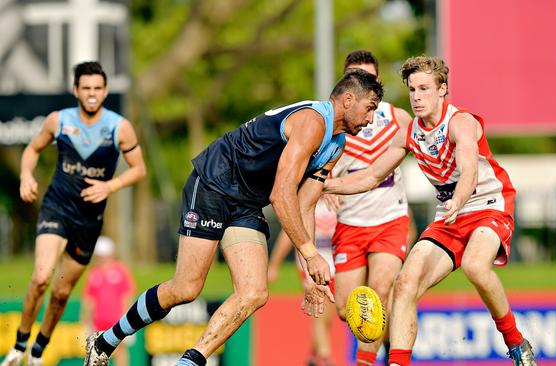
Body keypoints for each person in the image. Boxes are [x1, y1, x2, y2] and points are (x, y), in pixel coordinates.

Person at [84, 69, 384, 366]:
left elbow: (305, 204)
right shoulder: (312, 122)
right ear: (347, 99)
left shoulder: (336, 145)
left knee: (254, 292)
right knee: (186, 288)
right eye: (369, 108)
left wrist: (311, 270)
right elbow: (282, 194)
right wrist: (308, 252)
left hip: (247, 202)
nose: (371, 118)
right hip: (215, 183)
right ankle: (105, 341)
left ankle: (188, 363)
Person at [324, 55, 537, 366]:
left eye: (424, 88)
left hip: (487, 206)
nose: (417, 96)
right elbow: (370, 176)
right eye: (412, 89)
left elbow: (469, 172)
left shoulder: (460, 122)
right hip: (450, 216)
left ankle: (516, 343)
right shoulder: (409, 131)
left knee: (475, 266)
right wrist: (323, 186)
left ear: (442, 90)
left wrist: (458, 200)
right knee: (405, 283)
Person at [1, 61, 146, 366]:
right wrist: (26, 176)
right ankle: (19, 344)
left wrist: (111, 186)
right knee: (41, 277)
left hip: (88, 221)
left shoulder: (119, 127)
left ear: (105, 91)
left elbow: (139, 169)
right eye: (86, 88)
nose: (92, 94)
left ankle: (39, 350)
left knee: (61, 292)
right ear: (76, 90)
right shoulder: (59, 121)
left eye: (97, 88)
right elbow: (32, 149)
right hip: (56, 208)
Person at [331, 50, 413, 365]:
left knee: (378, 291)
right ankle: (395, 335)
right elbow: (318, 173)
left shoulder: (398, 119)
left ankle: (368, 361)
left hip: (389, 220)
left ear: (377, 82)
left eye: (367, 76)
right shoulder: (333, 126)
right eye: (355, 75)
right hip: (350, 225)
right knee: (345, 308)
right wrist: (326, 189)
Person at [267, 198, 338, 366]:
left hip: (335, 265)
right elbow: (288, 235)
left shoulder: (338, 197)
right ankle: (327, 359)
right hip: (311, 267)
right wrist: (274, 265)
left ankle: (313, 357)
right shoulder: (307, 200)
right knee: (319, 313)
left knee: (328, 317)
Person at [82, 236, 135, 366]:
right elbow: (89, 301)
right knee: (97, 354)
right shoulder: (94, 273)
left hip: (117, 321)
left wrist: (127, 320)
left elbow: (127, 296)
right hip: (98, 323)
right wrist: (86, 322)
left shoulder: (120, 270)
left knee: (120, 351)